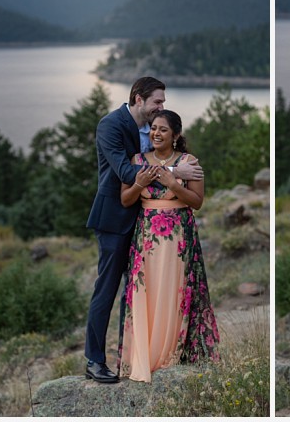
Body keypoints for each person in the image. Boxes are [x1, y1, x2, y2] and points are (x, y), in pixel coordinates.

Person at [84, 76, 203, 384]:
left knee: (138, 294)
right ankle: (94, 360)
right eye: (157, 102)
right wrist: (176, 172)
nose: (161, 107)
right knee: (106, 290)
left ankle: (134, 358)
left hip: (147, 226)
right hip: (114, 219)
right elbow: (125, 171)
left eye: (163, 103)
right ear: (138, 98)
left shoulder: (151, 131)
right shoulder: (110, 125)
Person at [116, 110, 219, 382]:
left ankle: (171, 354)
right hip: (146, 238)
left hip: (178, 238)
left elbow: (197, 201)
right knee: (146, 293)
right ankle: (144, 356)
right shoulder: (137, 161)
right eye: (153, 129)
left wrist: (173, 183)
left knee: (174, 293)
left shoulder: (189, 162)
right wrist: (139, 183)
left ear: (175, 135)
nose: (156, 134)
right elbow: (126, 200)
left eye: (163, 129)